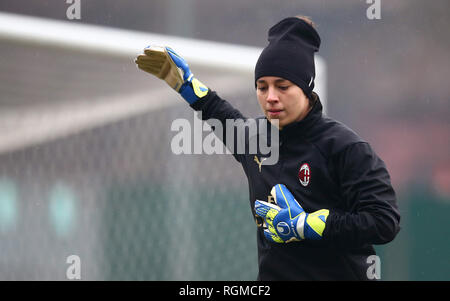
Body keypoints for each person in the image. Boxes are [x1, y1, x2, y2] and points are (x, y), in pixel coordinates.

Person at [135, 16, 401, 280]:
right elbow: (220, 113)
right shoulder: (255, 139)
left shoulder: (346, 147)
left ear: (307, 88)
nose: (270, 97)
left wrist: (309, 225)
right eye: (262, 87)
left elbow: (384, 222)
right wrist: (186, 85)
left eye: (282, 86)